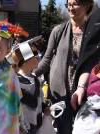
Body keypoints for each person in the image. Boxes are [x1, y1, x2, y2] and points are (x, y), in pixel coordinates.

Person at [34, 0, 94, 133]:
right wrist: (27, 75)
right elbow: (46, 60)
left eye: (75, 4)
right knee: (63, 129)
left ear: (87, 5)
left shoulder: (94, 32)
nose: (71, 8)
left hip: (85, 90)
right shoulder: (58, 30)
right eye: (69, 4)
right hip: (60, 91)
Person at [6, 36, 56, 134]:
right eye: (35, 57)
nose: (38, 58)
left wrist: (46, 107)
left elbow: (40, 99)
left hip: (36, 124)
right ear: (24, 62)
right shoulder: (15, 81)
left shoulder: (36, 79)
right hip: (21, 127)